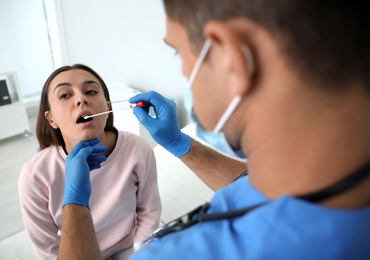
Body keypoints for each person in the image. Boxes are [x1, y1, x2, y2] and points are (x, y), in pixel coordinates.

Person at [59, 1, 370, 259]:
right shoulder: (321, 177)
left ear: (233, 60)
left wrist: (74, 204)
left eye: (179, 53)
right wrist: (180, 144)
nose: (183, 72)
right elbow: (252, 188)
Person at [18, 64, 162, 260]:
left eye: (91, 91)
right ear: (51, 119)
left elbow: (150, 212)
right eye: (65, 95)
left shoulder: (138, 148)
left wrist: (139, 253)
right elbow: (49, 252)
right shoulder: (34, 175)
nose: (81, 99)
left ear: (108, 106)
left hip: (130, 250)